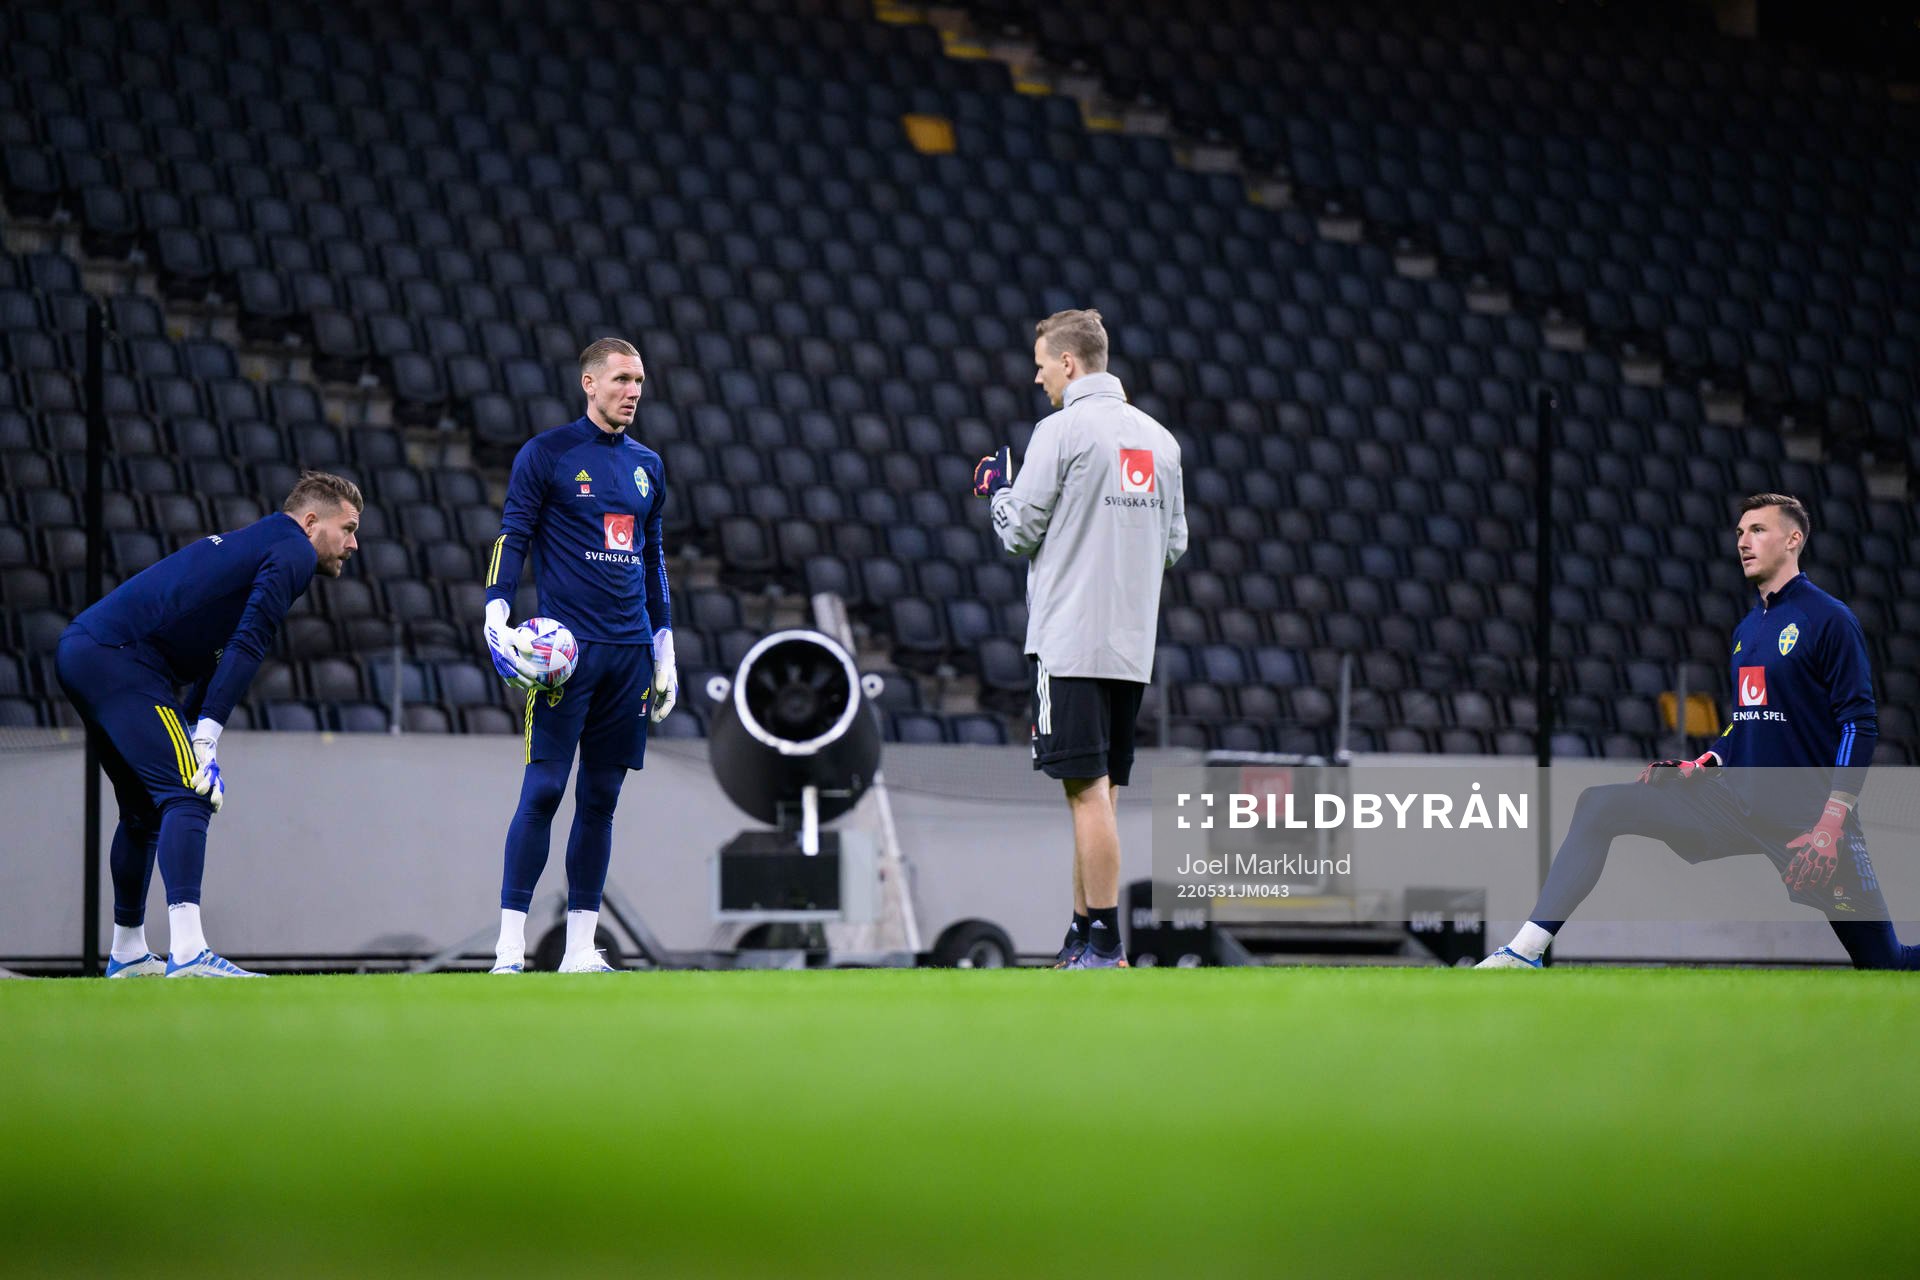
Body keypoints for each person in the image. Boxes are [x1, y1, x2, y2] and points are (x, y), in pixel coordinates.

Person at [1481, 492, 1918, 970]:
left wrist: (1831, 823)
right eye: (1739, 533)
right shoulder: (1748, 629)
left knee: (1884, 964)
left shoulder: (1829, 619)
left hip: (1807, 822)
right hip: (1734, 802)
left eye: (1757, 530)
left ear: (1794, 539)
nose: (1743, 542)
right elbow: (1748, 720)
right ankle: (1524, 952)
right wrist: (1711, 758)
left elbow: (1859, 723)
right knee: (1599, 804)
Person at [57, 472, 363, 977]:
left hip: (89, 651)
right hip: (122, 658)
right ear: (311, 522)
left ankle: (129, 953)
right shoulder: (294, 553)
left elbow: (219, 654)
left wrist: (201, 727)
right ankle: (189, 953)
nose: (354, 544)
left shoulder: (266, 544)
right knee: (189, 794)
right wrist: (206, 738)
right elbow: (248, 646)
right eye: (348, 528)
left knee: (142, 810)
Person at [973, 308, 1187, 969]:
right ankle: (1079, 933)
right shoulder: (1161, 441)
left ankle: (1106, 944)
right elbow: (1174, 545)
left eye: (1041, 365)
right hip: (1130, 644)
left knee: (1086, 792)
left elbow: (1018, 532)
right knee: (1098, 794)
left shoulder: (1059, 431)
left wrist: (995, 491)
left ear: (1069, 363)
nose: (1038, 379)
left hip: (1070, 639)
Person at [482, 337, 676, 974]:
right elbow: (515, 533)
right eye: (621, 379)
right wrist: (496, 605)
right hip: (566, 655)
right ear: (589, 384)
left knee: (602, 801)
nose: (633, 392)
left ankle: (578, 950)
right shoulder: (547, 454)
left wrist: (664, 642)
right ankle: (509, 948)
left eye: (639, 381)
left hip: (629, 656)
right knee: (542, 791)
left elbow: (653, 560)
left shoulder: (649, 464)